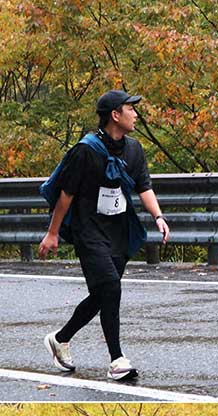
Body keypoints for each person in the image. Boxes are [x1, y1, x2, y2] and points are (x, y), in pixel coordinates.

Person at [39, 89, 170, 381]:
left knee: (103, 294)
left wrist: (158, 217)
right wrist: (53, 233)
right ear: (115, 115)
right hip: (89, 230)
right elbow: (66, 195)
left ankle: (61, 338)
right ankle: (117, 360)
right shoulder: (86, 150)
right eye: (130, 109)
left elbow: (143, 186)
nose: (135, 114)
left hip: (119, 231)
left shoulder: (134, 149)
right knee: (110, 287)